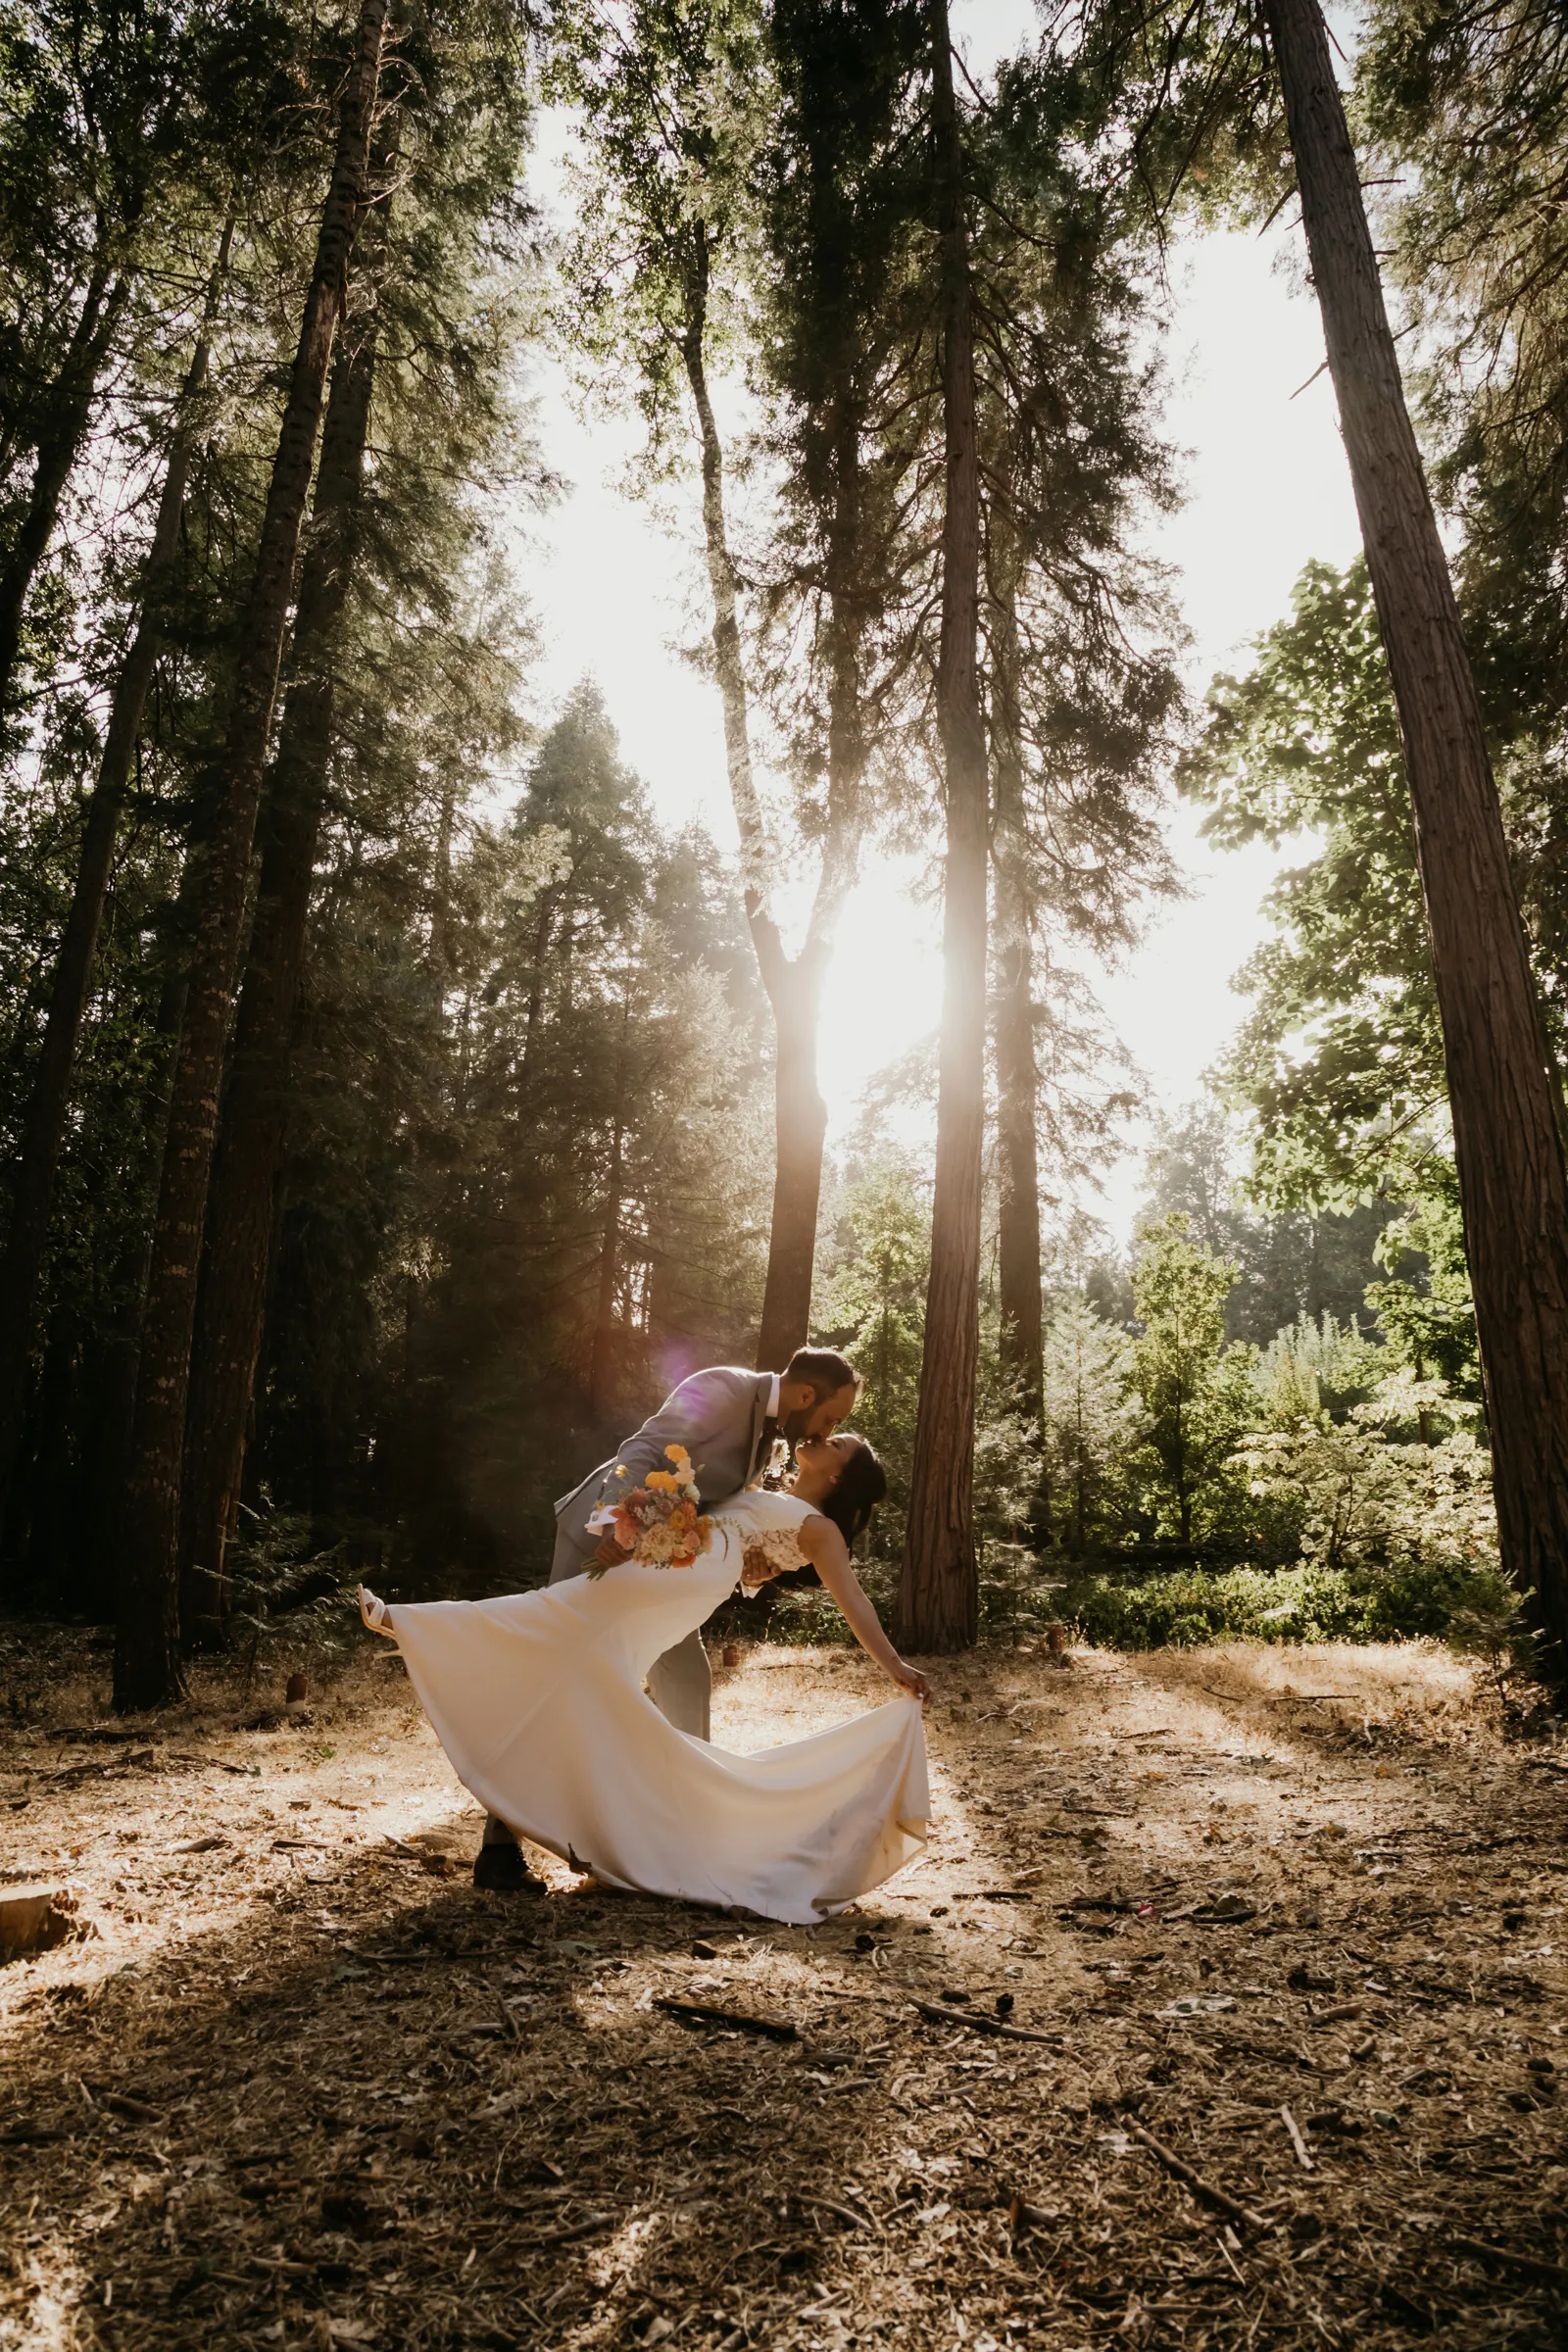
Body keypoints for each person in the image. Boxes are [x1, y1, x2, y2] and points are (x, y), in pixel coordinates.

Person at [357, 1432, 932, 1926]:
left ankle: (412, 1623)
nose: (822, 1437)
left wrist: (896, 1667)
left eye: (837, 1443)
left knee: (563, 1609)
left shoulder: (821, 1529)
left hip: (684, 1582)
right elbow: (744, 1543)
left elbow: (853, 1601)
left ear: (838, 1473)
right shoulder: (767, 1486)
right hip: (677, 1564)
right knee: (582, 1645)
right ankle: (626, 1836)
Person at [471, 1348, 861, 1890]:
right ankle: (498, 1848)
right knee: (556, 1677)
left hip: (658, 1567)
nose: (826, 1430)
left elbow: (721, 1503)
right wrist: (614, 1521)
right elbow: (642, 1448)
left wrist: (754, 1556)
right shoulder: (725, 1388)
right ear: (805, 1395)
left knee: (687, 1679)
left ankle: (689, 1835)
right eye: (830, 1418)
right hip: (599, 1543)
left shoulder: (769, 1434)